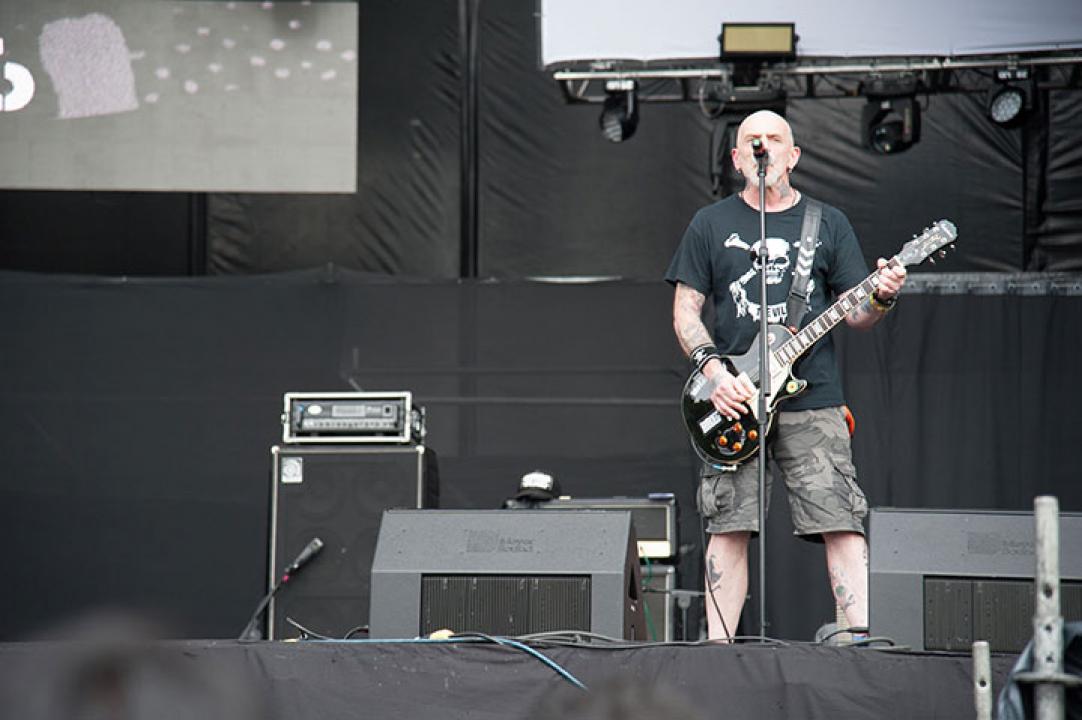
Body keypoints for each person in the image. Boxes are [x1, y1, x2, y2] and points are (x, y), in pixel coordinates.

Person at [664, 110, 907, 641]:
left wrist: (883, 294)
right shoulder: (709, 224)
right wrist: (713, 371)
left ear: (793, 155)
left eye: (774, 139)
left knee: (839, 517)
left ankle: (858, 640)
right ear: (736, 159)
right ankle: (718, 650)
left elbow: (857, 313)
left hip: (812, 397)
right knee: (728, 523)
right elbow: (686, 311)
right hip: (731, 396)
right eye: (752, 140)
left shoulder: (828, 223)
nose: (763, 147)